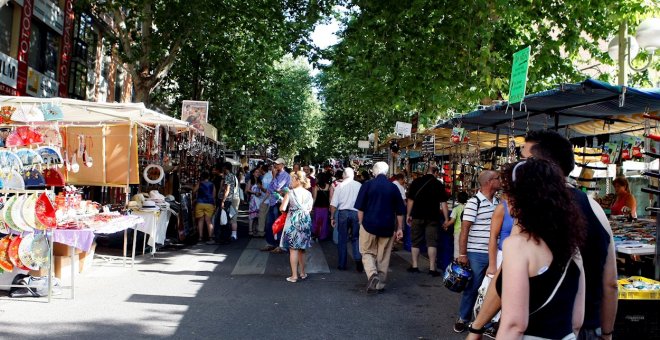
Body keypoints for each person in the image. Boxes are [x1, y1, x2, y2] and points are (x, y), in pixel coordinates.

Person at [524, 130, 618, 340]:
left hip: (544, 330)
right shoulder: (595, 208)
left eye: (524, 161)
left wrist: (477, 327)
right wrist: (607, 333)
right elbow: (610, 282)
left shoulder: (533, 210)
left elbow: (507, 277)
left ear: (541, 163)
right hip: (591, 329)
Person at [486, 159, 586, 339]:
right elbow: (577, 320)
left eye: (509, 193)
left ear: (519, 198)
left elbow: (514, 325)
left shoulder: (517, 246)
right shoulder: (573, 246)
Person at [454, 170, 501, 333]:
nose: (500, 181)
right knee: (472, 287)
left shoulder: (497, 202)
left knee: (492, 289)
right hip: (476, 252)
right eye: (498, 178)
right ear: (489, 182)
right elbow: (464, 229)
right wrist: (462, 254)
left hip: (494, 253)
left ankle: (485, 322)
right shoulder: (474, 202)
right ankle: (463, 317)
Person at [354, 162, 405, 293]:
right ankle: (380, 283)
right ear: (387, 173)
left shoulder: (367, 185)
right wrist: (400, 228)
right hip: (387, 226)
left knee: (366, 252)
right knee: (384, 256)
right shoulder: (394, 188)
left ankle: (372, 275)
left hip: (368, 224)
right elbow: (400, 211)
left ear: (374, 172)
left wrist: (360, 222)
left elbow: (360, 208)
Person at [406, 165, 449, 276]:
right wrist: (446, 219)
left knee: (415, 242)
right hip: (432, 217)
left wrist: (408, 214)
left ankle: (415, 265)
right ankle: (432, 268)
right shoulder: (438, 184)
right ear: (435, 173)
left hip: (417, 215)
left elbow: (410, 200)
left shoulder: (416, 182)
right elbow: (444, 203)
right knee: (432, 243)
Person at [279, 170, 314, 282]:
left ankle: (294, 276)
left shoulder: (290, 192)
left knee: (293, 249)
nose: (291, 182)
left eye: (292, 179)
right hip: (305, 221)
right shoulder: (308, 193)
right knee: (302, 249)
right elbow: (309, 208)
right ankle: (303, 273)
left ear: (298, 180)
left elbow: (282, 208)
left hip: (293, 222)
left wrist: (282, 200)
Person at [330, 168, 363, 271]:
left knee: (342, 238)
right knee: (356, 237)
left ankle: (342, 264)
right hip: (356, 213)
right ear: (353, 175)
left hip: (343, 213)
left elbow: (333, 204)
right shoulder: (359, 185)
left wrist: (332, 217)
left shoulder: (339, 186)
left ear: (344, 175)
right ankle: (358, 260)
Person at [261, 158, 291, 253]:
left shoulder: (285, 176)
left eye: (277, 164)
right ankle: (271, 243)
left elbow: (278, 188)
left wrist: (274, 177)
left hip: (280, 203)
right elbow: (270, 189)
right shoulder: (276, 175)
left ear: (282, 165)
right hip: (272, 202)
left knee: (279, 224)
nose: (275, 166)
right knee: (269, 224)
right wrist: (263, 200)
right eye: (275, 164)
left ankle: (280, 245)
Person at [443, 191, 468, 258]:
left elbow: (452, 221)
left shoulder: (456, 209)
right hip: (467, 231)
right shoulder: (468, 208)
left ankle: (457, 264)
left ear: (458, 199)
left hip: (458, 232)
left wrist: (445, 225)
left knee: (457, 249)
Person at [193, 171, 216, 244]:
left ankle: (200, 237)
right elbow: (214, 195)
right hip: (209, 204)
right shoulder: (212, 184)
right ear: (208, 177)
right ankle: (210, 237)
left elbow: (194, 191)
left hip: (200, 203)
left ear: (202, 177)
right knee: (209, 221)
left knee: (200, 221)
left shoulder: (200, 183)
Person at [221, 162, 241, 241]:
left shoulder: (228, 176)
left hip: (230, 199)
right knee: (233, 216)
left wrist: (223, 200)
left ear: (225, 168)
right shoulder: (234, 176)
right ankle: (233, 234)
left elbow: (227, 190)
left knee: (231, 217)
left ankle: (232, 235)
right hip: (235, 197)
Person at [312, 172, 332, 241]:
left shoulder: (316, 186)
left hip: (317, 206)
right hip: (325, 206)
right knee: (324, 221)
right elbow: (330, 198)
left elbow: (314, 198)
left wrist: (311, 206)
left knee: (317, 220)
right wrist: (330, 206)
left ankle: (316, 234)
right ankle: (323, 235)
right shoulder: (329, 186)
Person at [256, 164, 272, 238]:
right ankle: (267, 231)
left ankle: (261, 232)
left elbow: (266, 190)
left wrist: (260, 187)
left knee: (262, 216)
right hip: (270, 200)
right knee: (267, 216)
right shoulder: (271, 175)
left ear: (262, 170)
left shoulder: (265, 177)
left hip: (265, 199)